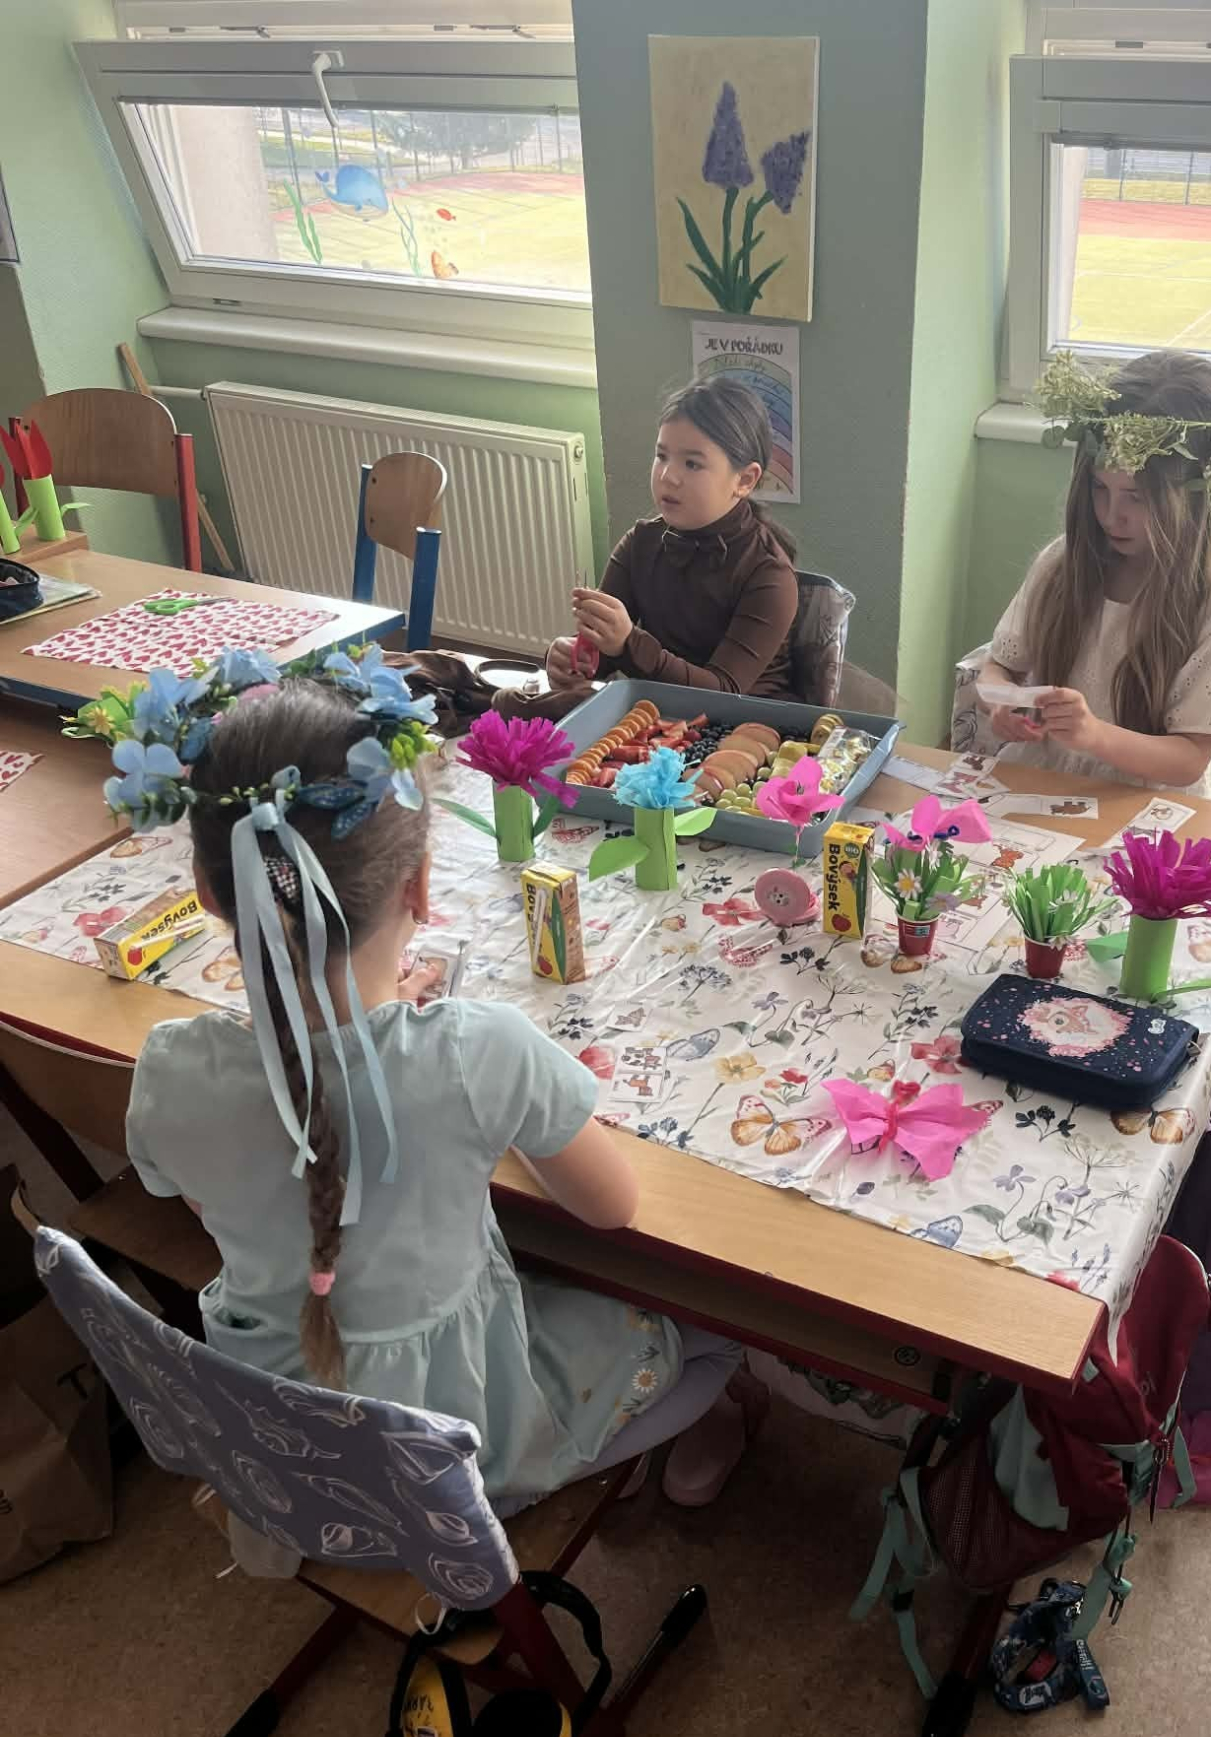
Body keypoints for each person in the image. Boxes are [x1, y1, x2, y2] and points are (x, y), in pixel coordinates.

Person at [111, 650, 761, 1511]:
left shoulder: (168, 1069)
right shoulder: (479, 1051)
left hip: (286, 1452)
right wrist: (477, 1096)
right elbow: (613, 1208)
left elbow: (217, 1197)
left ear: (206, 889)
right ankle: (659, 1428)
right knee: (719, 1334)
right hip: (453, 1461)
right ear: (421, 886)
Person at [977, 350, 1211, 801]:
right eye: (1100, 488)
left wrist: (1094, 735)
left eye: (1137, 496)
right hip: (1048, 783)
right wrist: (1004, 703)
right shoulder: (1063, 563)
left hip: (1147, 803)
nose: (1112, 516)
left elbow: (1189, 759)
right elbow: (998, 666)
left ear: (1195, 496)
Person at [544, 376, 800, 705]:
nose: (668, 476)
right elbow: (604, 657)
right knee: (511, 707)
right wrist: (574, 658)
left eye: (692, 463)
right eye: (662, 456)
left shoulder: (770, 574)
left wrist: (629, 643)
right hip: (652, 712)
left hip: (746, 725)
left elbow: (723, 693)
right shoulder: (641, 543)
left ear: (745, 480)